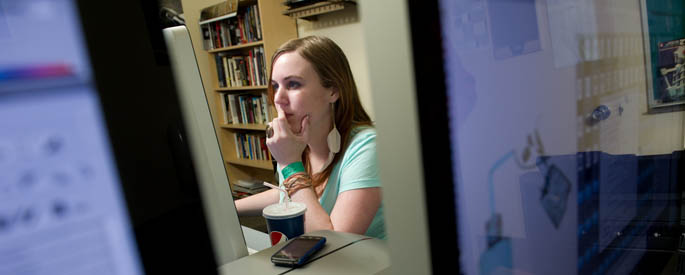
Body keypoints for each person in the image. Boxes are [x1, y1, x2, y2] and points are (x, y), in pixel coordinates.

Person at [235, 36, 385, 240]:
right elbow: (285, 193)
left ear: (333, 90)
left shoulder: (368, 146)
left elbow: (335, 244)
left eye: (293, 84)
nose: (278, 98)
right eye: (275, 86)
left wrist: (290, 163)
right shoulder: (298, 142)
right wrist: (229, 208)